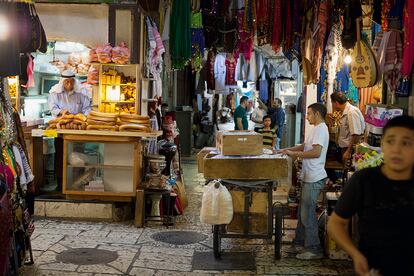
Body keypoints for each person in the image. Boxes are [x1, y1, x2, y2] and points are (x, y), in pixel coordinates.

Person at [327, 115, 414, 276]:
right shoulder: (364, 180)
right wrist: (355, 254)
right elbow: (335, 224)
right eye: (390, 141)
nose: (396, 149)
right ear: (382, 145)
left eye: (406, 143)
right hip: (371, 270)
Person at [279, 103, 329, 260]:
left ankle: (314, 248)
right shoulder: (315, 129)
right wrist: (285, 150)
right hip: (309, 176)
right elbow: (304, 146)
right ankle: (300, 243)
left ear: (316, 114)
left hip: (314, 178)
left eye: (308, 114)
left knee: (307, 214)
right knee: (303, 213)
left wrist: (295, 156)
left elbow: (316, 152)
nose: (306, 116)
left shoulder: (321, 129)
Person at [330, 92, 365, 163]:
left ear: (336, 103)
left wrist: (348, 151)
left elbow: (356, 134)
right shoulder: (347, 111)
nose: (332, 106)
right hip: (346, 148)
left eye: (332, 103)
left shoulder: (351, 112)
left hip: (350, 149)